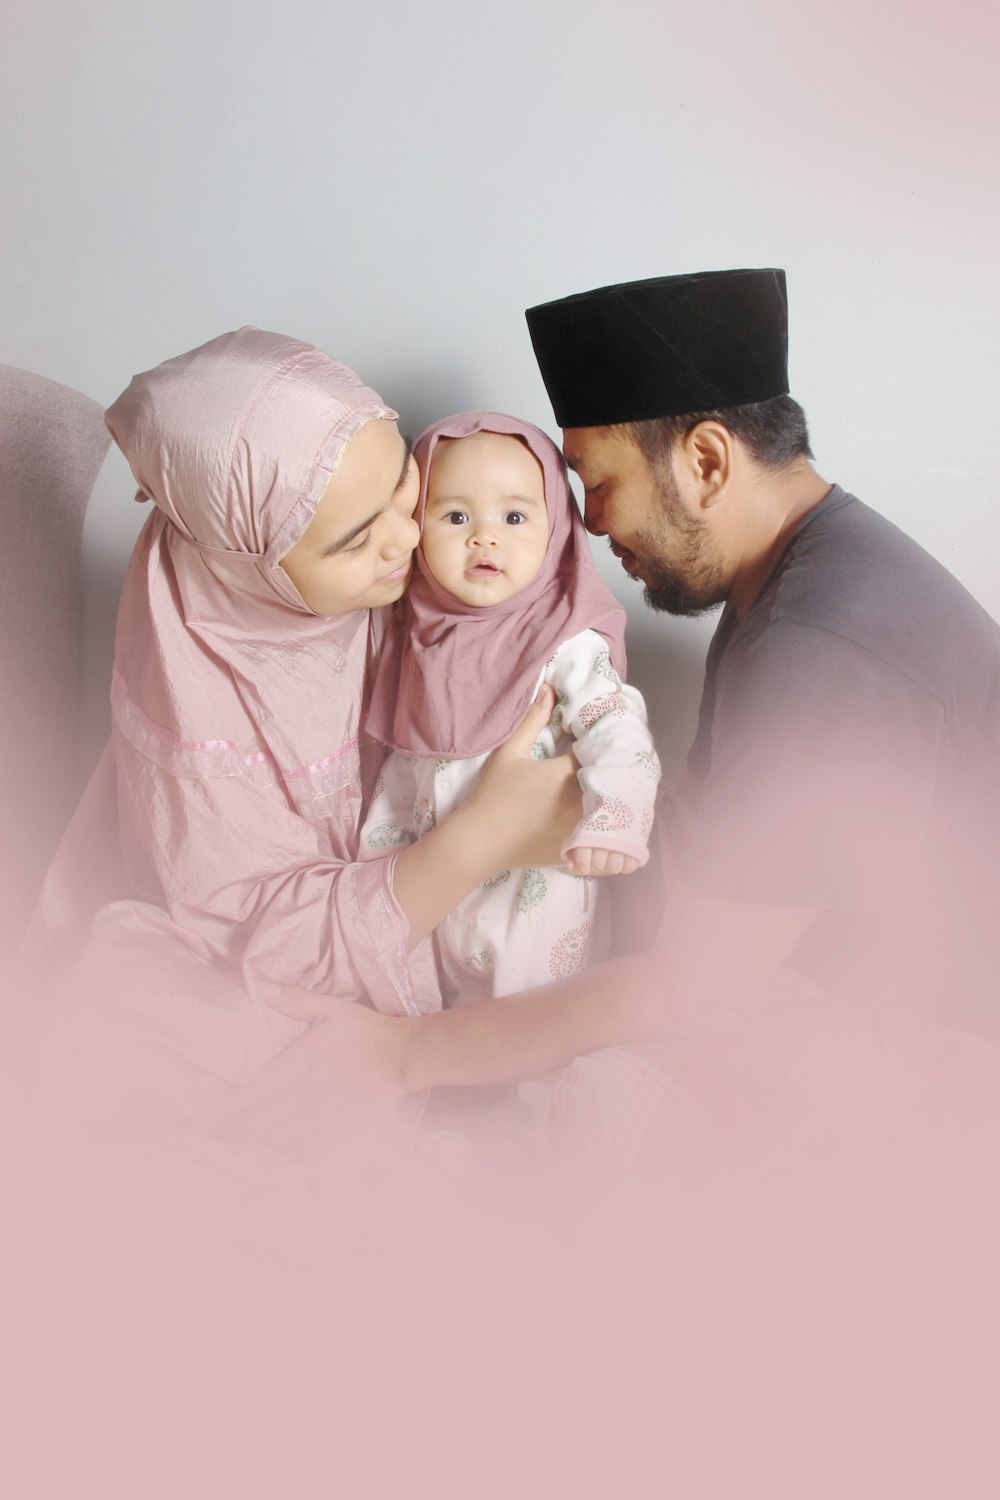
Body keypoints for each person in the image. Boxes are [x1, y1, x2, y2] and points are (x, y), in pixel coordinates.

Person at [223, 270, 1000, 1168]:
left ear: (706, 462)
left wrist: (399, 1057)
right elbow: (705, 865)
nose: (586, 525)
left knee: (570, 1133)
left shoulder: (823, 645)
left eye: (598, 483)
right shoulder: (802, 572)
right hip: (833, 992)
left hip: (950, 1054)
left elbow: (695, 988)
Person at [24, 327, 579, 1130]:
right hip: (246, 957)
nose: (411, 537)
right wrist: (479, 839)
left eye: (404, 488)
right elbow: (261, 940)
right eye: (358, 539)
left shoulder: (391, 577)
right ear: (254, 569)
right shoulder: (199, 709)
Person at [361, 411, 660, 1003]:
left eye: (516, 516)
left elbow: (617, 726)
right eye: (454, 516)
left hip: (534, 894)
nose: (484, 537)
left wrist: (617, 816)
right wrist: (379, 858)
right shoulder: (414, 636)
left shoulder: (564, 641)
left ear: (556, 532)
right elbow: (403, 766)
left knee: (532, 1020)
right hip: (436, 886)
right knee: (427, 1018)